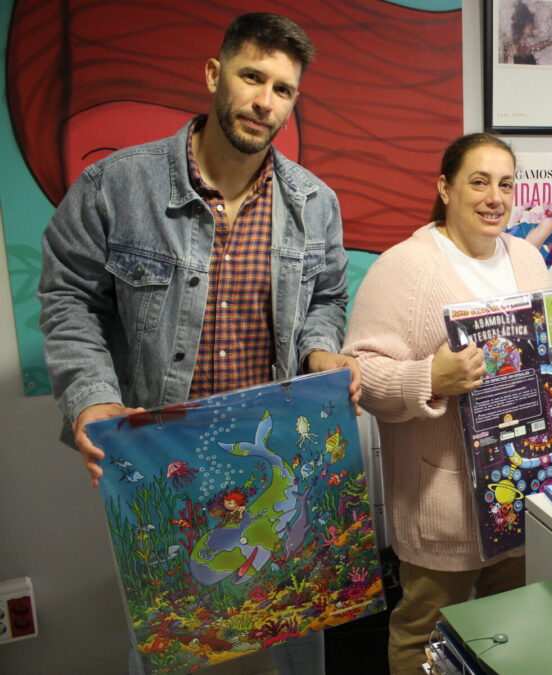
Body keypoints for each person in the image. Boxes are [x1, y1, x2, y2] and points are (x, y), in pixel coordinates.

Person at [37, 12, 360, 674]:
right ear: (215, 75)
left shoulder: (314, 203)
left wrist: (322, 348)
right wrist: (92, 397)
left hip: (278, 454)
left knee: (298, 626)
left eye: (283, 89)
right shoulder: (117, 188)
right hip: (168, 458)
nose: (264, 101)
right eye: (252, 77)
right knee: (171, 642)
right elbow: (68, 293)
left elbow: (328, 297)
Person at [341, 133, 550, 672]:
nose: (494, 198)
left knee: (516, 628)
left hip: (522, 495)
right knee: (424, 635)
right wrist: (427, 377)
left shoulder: (527, 259)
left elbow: (549, 362)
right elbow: (361, 374)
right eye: (478, 182)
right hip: (443, 503)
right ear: (444, 188)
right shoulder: (405, 268)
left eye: (505, 184)